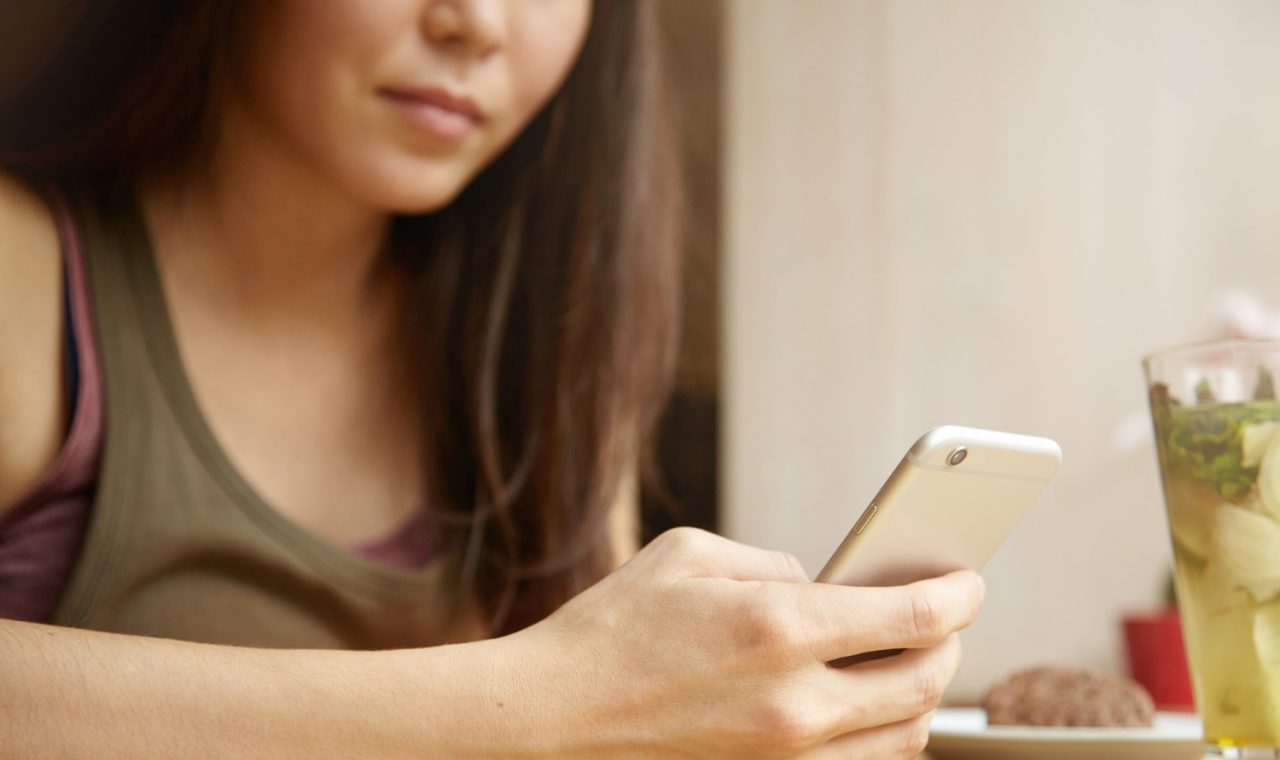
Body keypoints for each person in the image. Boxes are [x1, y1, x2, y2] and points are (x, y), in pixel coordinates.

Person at [0, 1, 985, 756]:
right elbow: (568, 710)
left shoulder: (546, 350)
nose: (475, 22)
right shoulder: (28, 275)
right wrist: (540, 701)